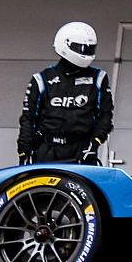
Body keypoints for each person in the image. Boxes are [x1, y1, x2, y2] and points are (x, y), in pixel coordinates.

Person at [18, 22, 115, 165]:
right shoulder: (42, 79)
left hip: (82, 150)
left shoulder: (98, 78)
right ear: (65, 44)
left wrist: (94, 144)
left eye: (89, 48)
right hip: (47, 150)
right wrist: (24, 151)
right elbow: (28, 117)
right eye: (81, 48)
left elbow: (105, 116)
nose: (85, 52)